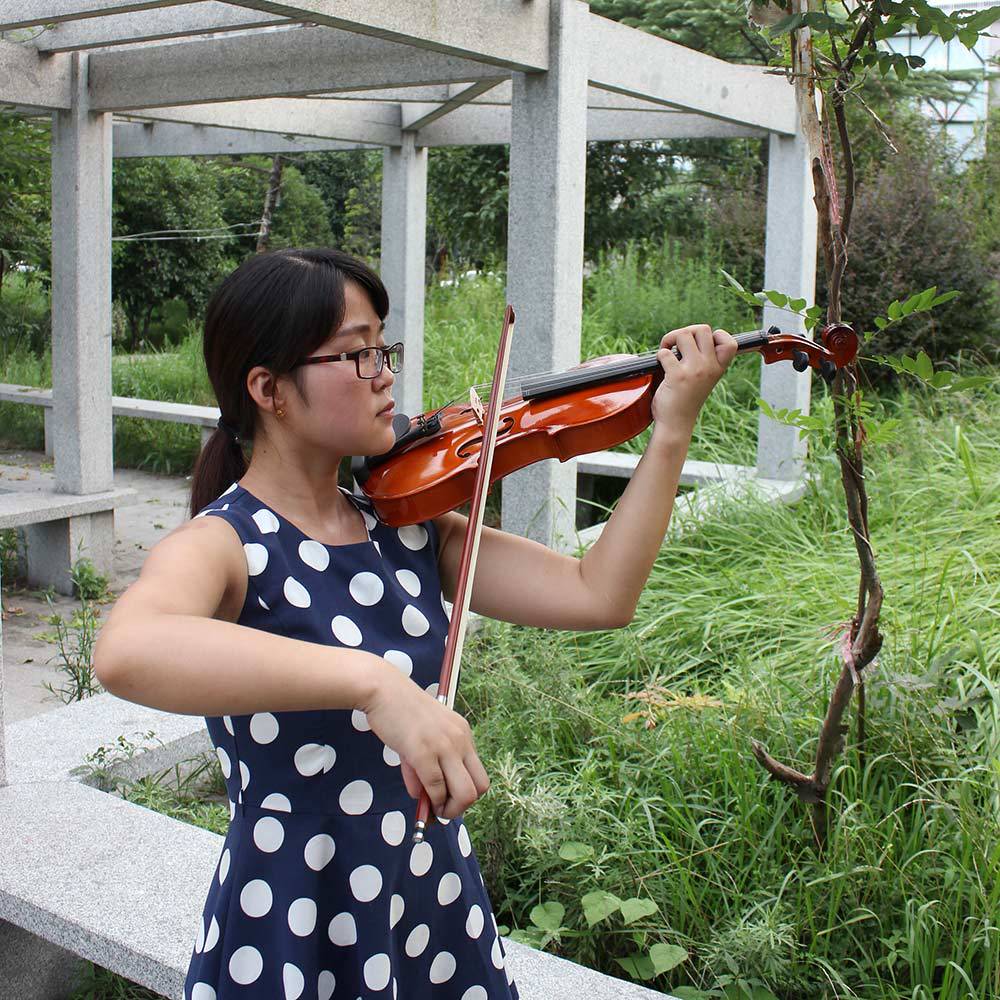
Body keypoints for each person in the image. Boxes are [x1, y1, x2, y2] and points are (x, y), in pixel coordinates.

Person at [93, 247, 738, 999]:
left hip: (432, 898)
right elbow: (127, 650)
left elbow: (598, 594)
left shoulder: (405, 525)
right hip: (298, 908)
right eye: (355, 354)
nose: (385, 373)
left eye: (382, 347)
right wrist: (375, 684)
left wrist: (669, 432)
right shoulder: (223, 545)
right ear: (269, 388)